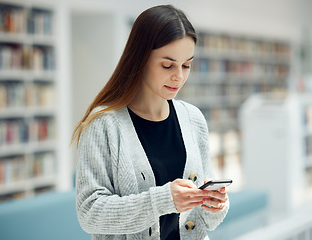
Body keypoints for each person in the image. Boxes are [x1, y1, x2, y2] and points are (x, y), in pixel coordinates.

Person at [71, 4, 229, 240]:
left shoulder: (193, 119)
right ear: (140, 59)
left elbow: (205, 221)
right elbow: (89, 213)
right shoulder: (104, 124)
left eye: (186, 65)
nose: (179, 76)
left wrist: (215, 205)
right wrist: (163, 200)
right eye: (167, 65)